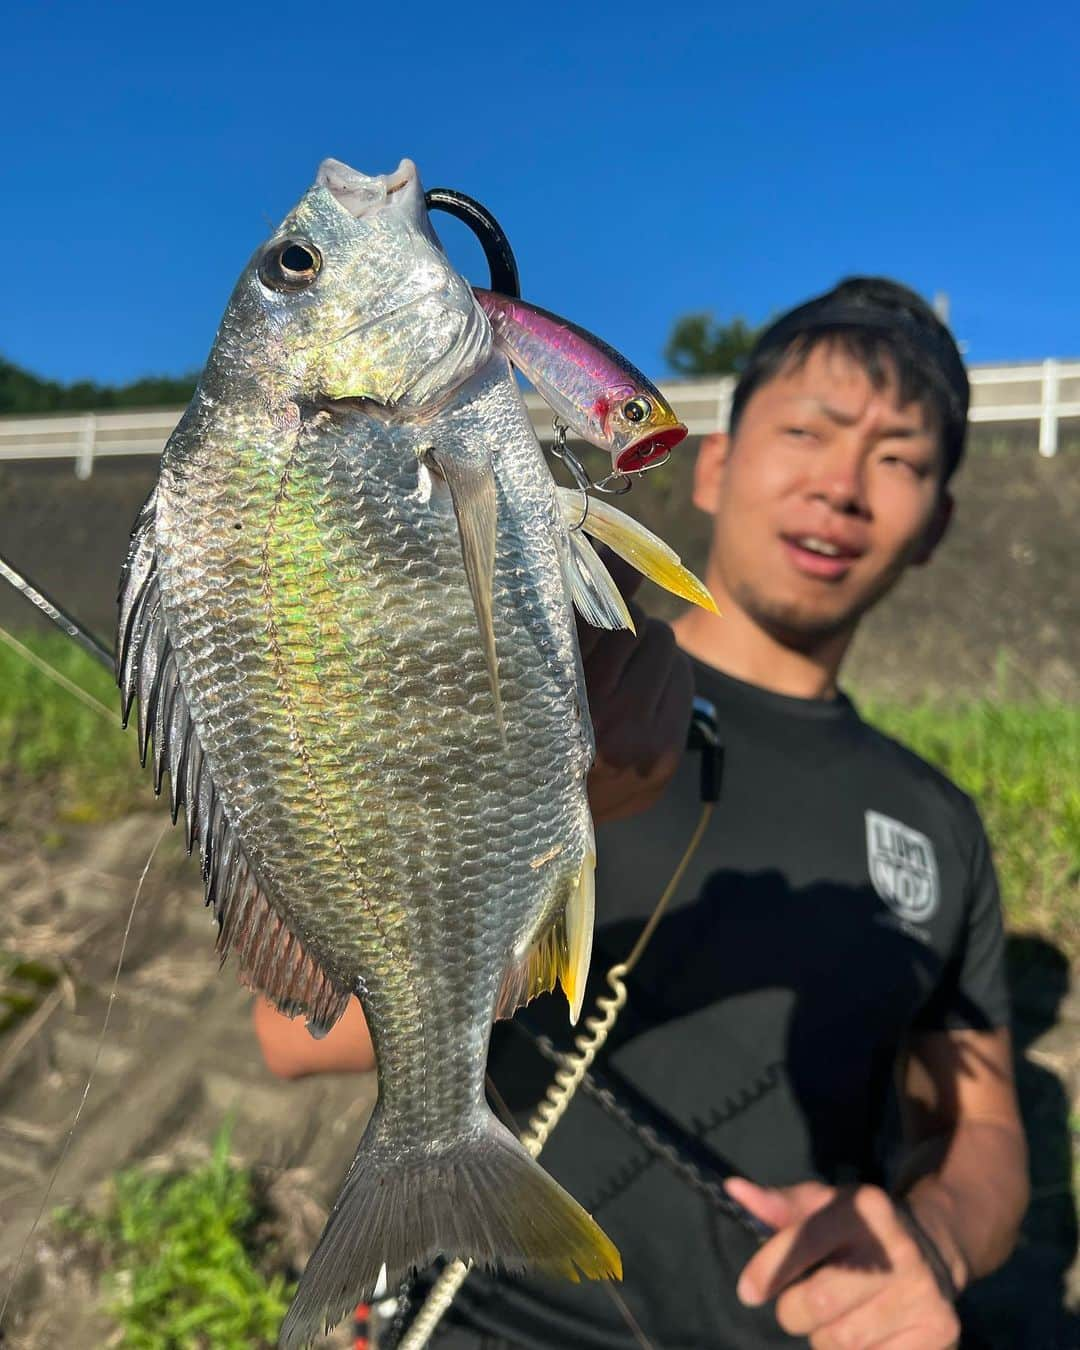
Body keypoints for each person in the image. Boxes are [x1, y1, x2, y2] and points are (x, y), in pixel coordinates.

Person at [254, 277, 1029, 1349]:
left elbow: (984, 1124)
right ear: (711, 462)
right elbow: (298, 1036)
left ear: (936, 523)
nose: (844, 486)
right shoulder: (526, 685)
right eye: (808, 430)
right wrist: (548, 814)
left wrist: (934, 1244)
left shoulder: (938, 824)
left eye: (898, 459)